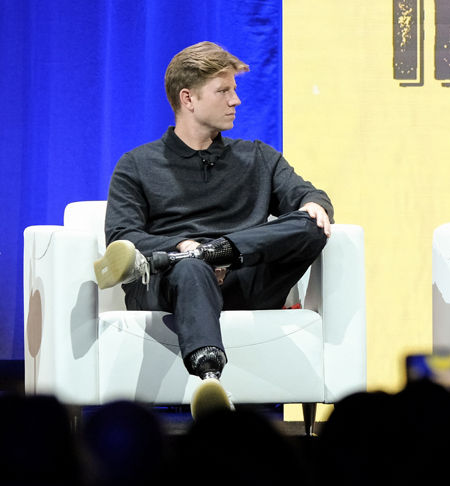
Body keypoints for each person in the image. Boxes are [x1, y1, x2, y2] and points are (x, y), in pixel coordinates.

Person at [93, 42, 333, 417]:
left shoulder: (258, 157)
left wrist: (316, 204)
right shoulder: (137, 164)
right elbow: (122, 236)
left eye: (234, 90)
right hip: (172, 284)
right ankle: (208, 379)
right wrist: (185, 246)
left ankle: (212, 252)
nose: (235, 101)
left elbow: (309, 199)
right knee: (189, 266)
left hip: (245, 279)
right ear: (188, 99)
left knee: (313, 226)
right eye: (224, 91)